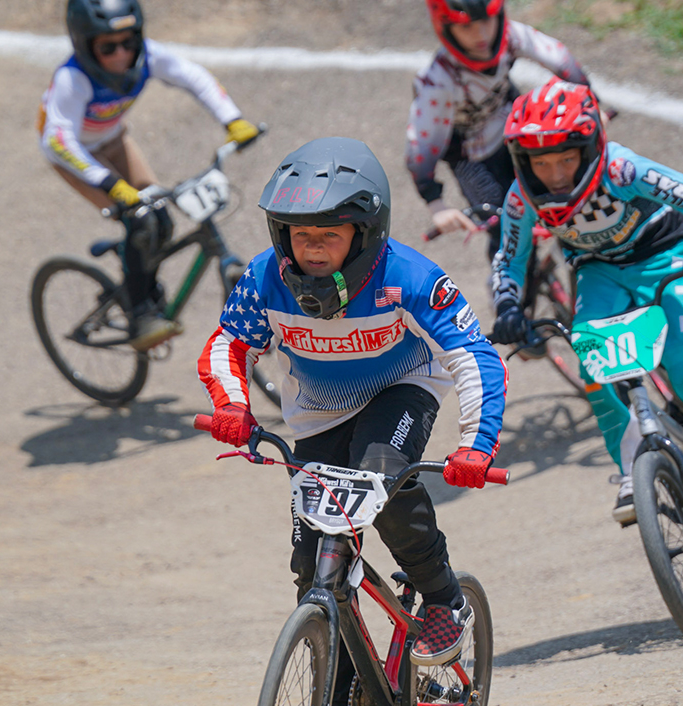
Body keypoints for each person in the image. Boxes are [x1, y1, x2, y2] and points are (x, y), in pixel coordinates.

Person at [197, 137, 507, 689]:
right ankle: (337, 681)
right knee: (313, 567)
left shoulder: (409, 278)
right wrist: (233, 405)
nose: (312, 249)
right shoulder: (266, 276)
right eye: (301, 234)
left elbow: (474, 357)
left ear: (364, 234)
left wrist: (475, 445)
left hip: (401, 390)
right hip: (317, 416)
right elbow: (229, 343)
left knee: (378, 471)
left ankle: (442, 597)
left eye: (329, 236)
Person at [489, 77, 683, 535]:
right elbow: (509, 261)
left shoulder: (622, 170)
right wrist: (509, 308)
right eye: (542, 162)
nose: (555, 175)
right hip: (597, 272)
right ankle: (633, 470)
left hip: (664, 260)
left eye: (567, 159)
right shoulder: (520, 199)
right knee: (596, 371)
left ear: (590, 147)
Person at [38, 0, 259, 352]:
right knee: (140, 220)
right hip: (75, 159)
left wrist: (232, 119)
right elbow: (57, 141)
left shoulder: (149, 57)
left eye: (129, 42)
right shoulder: (72, 79)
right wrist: (109, 183)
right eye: (108, 47)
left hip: (113, 141)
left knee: (163, 219)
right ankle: (141, 314)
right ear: (85, 44)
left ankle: (139, 282)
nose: (122, 54)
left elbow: (193, 77)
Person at [406, 0, 590, 263]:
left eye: (486, 21)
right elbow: (420, 148)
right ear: (445, 28)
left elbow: (561, 60)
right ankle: (506, 292)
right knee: (508, 230)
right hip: (472, 157)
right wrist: (436, 204)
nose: (481, 35)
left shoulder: (510, 37)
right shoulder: (437, 82)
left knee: (566, 191)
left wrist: (590, 104)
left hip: (518, 130)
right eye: (467, 26)